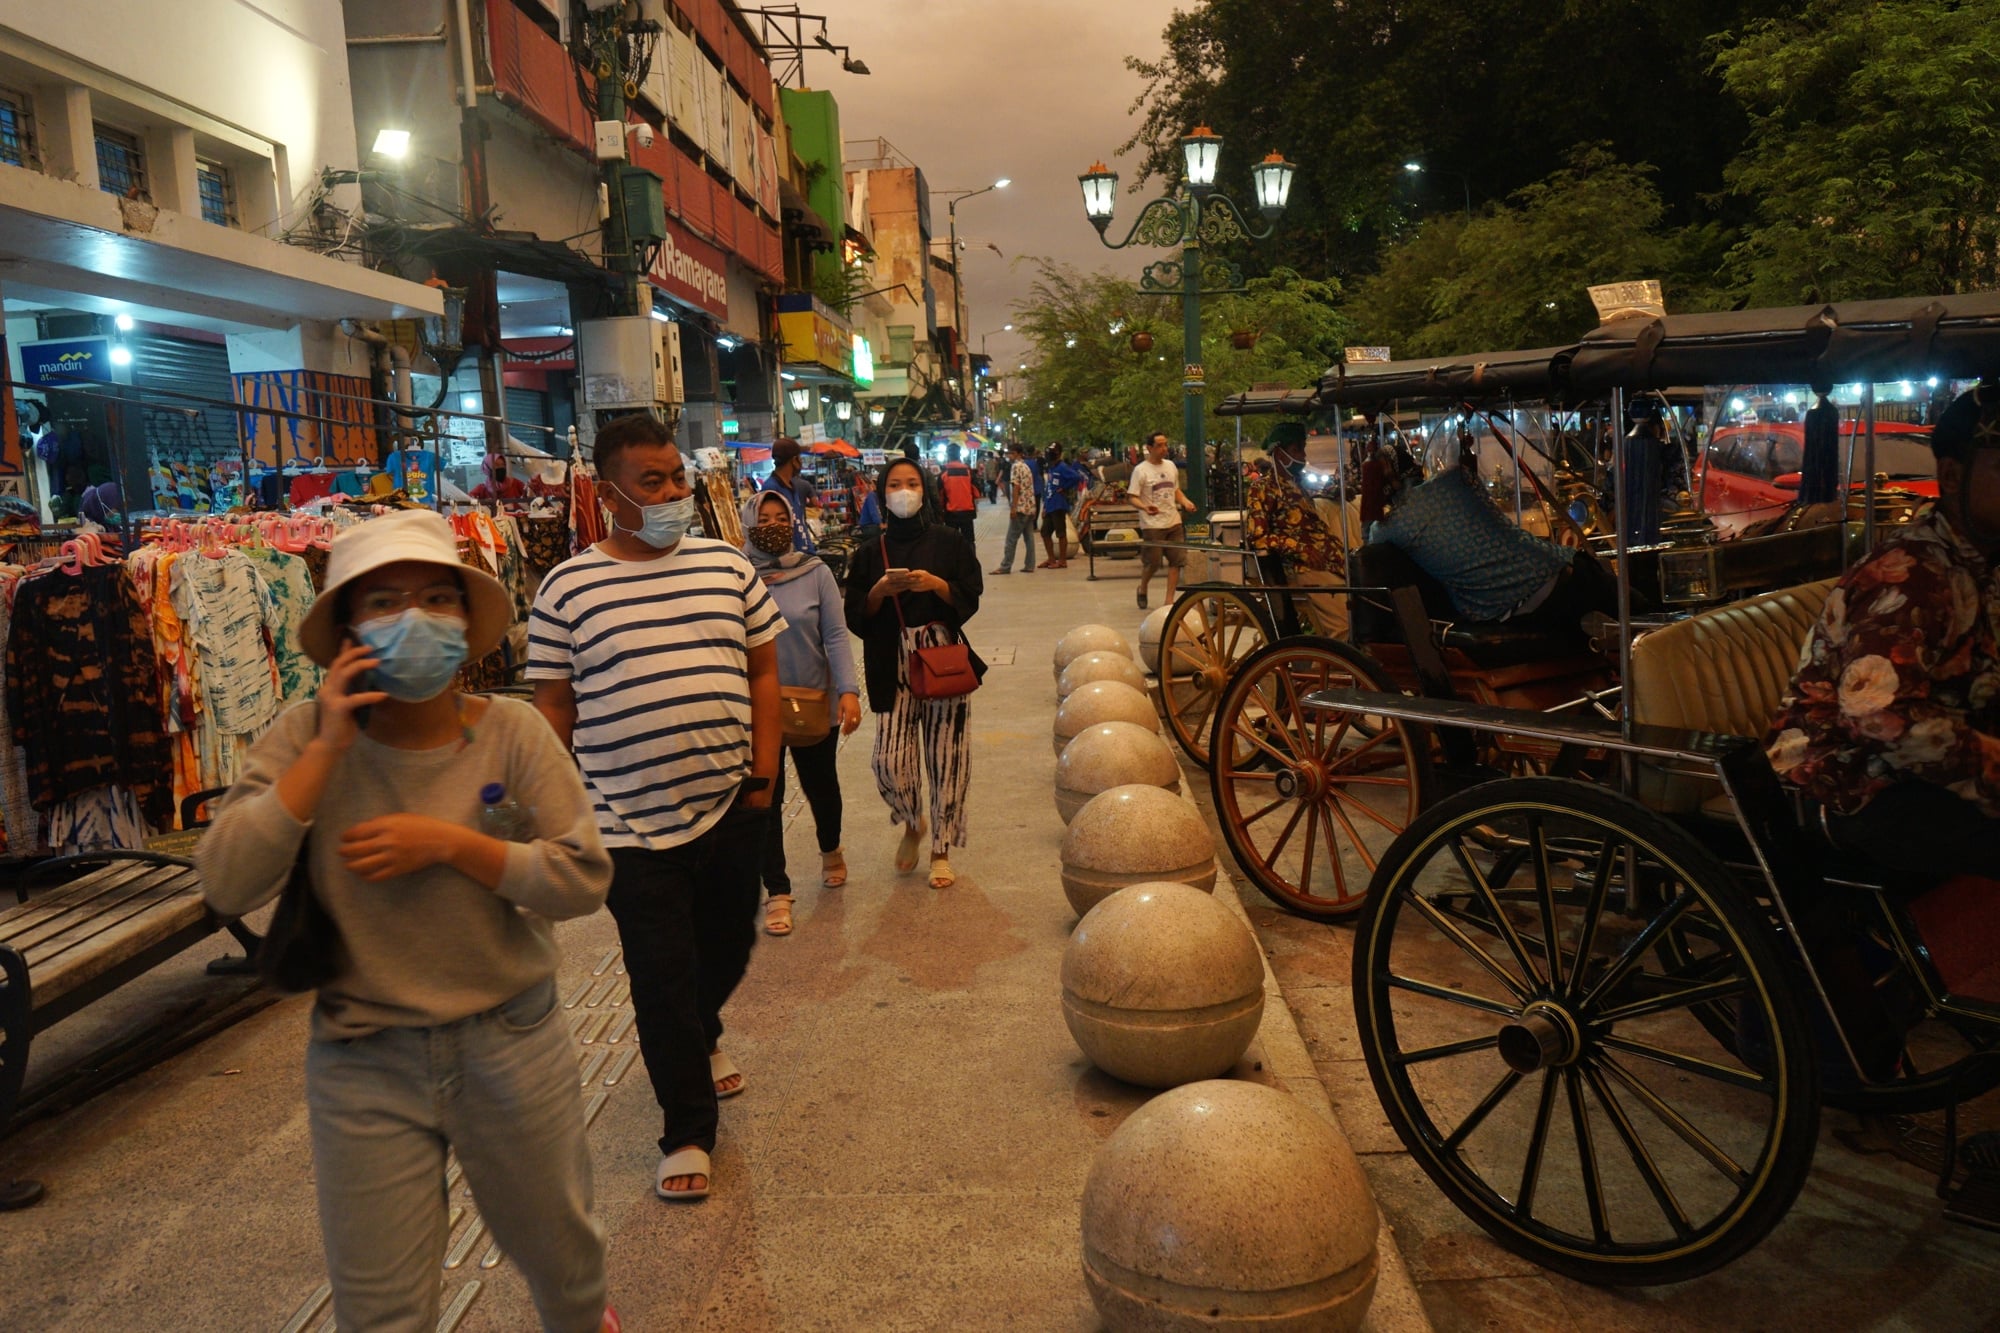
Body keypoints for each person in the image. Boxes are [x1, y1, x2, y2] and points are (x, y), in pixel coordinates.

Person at [195, 509, 618, 1333]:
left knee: (567, 1269)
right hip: (362, 1058)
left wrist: (455, 847)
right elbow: (226, 880)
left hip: (512, 1040)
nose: (414, 618)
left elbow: (582, 877)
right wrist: (324, 749)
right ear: (348, 626)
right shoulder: (303, 738)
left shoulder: (512, 732)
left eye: (435, 596)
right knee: (379, 1310)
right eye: (384, 602)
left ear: (466, 619)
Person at [529, 413, 782, 1203]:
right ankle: (686, 1127)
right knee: (660, 969)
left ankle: (698, 1030)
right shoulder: (568, 586)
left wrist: (765, 773)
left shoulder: (726, 567)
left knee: (726, 947)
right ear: (609, 494)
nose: (675, 493)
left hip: (733, 802)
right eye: (655, 482)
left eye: (678, 477)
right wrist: (549, 808)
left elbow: (764, 669)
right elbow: (553, 708)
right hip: (625, 825)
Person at [1768, 384, 2000, 885]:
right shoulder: (1915, 574)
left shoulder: (1982, 561)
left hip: (1921, 767)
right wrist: (1989, 762)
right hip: (1845, 780)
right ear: (1953, 476)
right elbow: (1875, 715)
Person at [845, 458, 983, 889]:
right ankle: (911, 820)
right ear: (881, 493)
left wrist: (936, 585)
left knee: (947, 756)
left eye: (911, 483)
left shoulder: (949, 541)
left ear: (924, 490)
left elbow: (971, 594)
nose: (903, 491)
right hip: (890, 659)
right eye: (894, 484)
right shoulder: (869, 551)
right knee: (889, 760)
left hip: (940, 658)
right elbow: (856, 615)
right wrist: (878, 592)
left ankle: (941, 848)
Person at [742, 491, 863, 936]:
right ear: (748, 523)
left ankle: (830, 847)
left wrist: (848, 691)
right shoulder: (736, 574)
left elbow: (834, 635)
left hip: (814, 699)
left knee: (821, 786)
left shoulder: (815, 573)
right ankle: (777, 890)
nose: (772, 525)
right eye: (763, 518)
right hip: (760, 708)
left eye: (780, 517)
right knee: (765, 798)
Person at [1369, 442, 1621, 634]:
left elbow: (1368, 548)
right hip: (1567, 567)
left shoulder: (1388, 528)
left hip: (1516, 607)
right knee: (1646, 622)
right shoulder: (1455, 478)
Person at [1131, 430, 1195, 610]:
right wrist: (1144, 507)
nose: (1164, 449)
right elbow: (1132, 496)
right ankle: (1143, 587)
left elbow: (1176, 490)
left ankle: (1169, 600)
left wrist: (1185, 501)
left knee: (1177, 561)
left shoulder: (1170, 466)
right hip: (1152, 524)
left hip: (1173, 521)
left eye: (1165, 444)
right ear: (1149, 448)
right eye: (1159, 445)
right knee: (1153, 563)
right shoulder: (1140, 470)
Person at [993, 440, 1040, 575]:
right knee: (1029, 537)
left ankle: (1005, 566)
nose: (1010, 456)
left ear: (1019, 454)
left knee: (1011, 538)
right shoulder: (1026, 467)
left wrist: (1013, 508)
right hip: (1030, 507)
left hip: (1020, 507)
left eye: (1012, 453)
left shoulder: (1016, 467)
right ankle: (1030, 564)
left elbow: (1016, 487)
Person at [765, 436, 819, 552]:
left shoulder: (792, 486)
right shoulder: (771, 488)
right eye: (799, 458)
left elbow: (799, 522)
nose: (801, 461)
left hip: (804, 555)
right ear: (794, 460)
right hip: (790, 560)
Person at [1039, 446, 1088, 569]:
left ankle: (1062, 560)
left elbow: (1076, 478)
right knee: (1045, 532)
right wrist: (1044, 506)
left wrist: (1065, 487)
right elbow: (1049, 487)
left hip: (1059, 505)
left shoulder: (1063, 467)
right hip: (1050, 504)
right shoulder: (1051, 467)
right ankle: (1051, 559)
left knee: (1061, 533)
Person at [940, 452, 981, 554]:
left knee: (951, 541)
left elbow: (939, 496)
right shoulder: (968, 471)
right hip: (967, 512)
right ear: (959, 456)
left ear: (948, 457)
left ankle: (954, 565)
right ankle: (971, 564)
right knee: (969, 541)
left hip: (951, 514)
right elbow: (977, 491)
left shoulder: (944, 473)